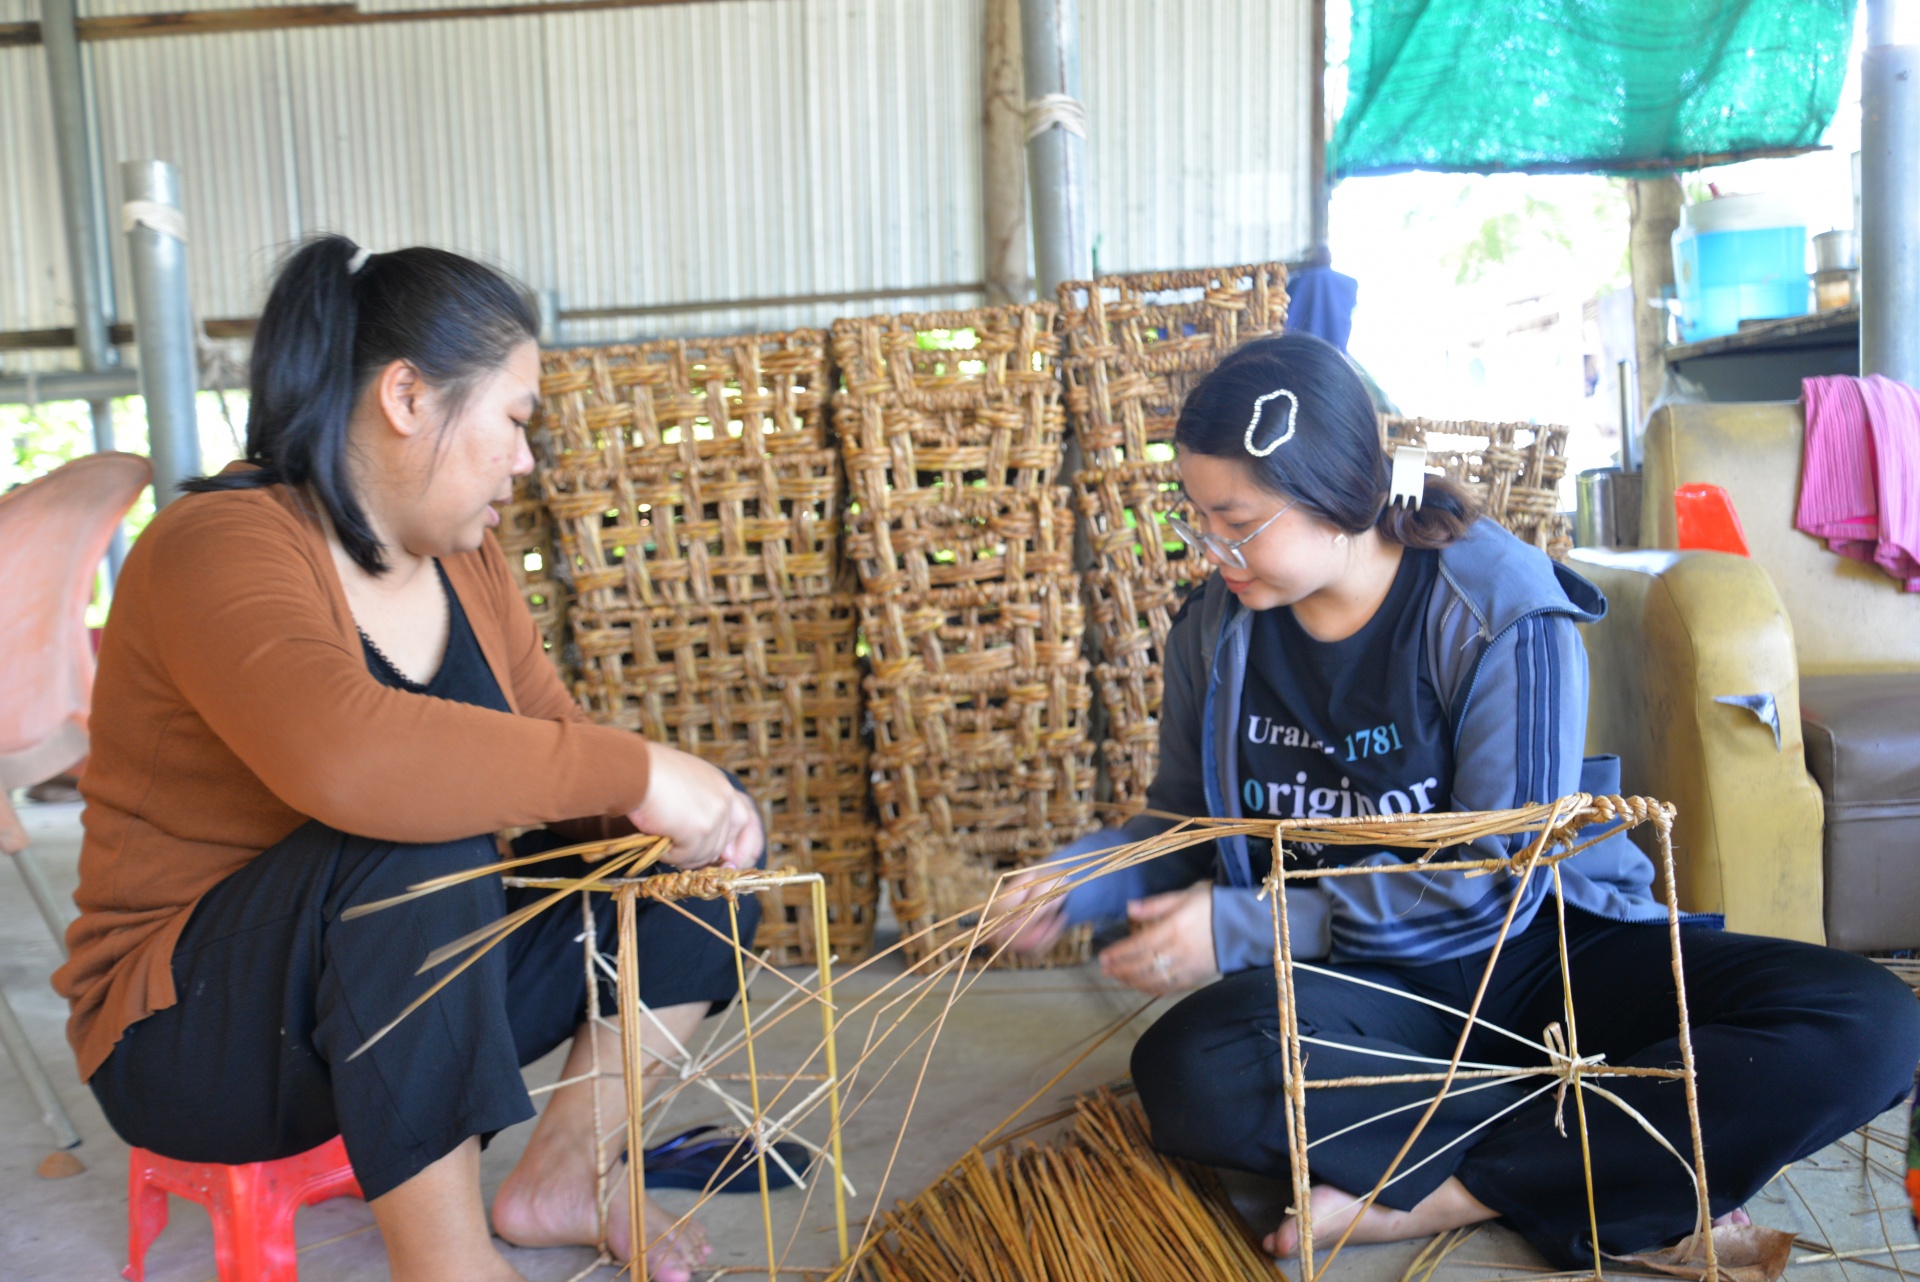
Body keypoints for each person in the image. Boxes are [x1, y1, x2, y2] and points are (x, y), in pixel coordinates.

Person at [999, 332, 1920, 1267]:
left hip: (1543, 955)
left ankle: (1445, 1193)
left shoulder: (1502, 613)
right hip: (1370, 999)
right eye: (1197, 517)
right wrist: (1081, 881)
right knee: (1193, 1071)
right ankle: (1601, 1141)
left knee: (1872, 1025)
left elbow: (1493, 886)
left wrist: (1244, 928)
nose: (1215, 549)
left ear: (1338, 494)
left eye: (1237, 519)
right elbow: (1186, 822)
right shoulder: (1216, 633)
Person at [52, 236, 764, 1282]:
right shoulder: (221, 543)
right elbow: (351, 759)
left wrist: (687, 814)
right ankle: (447, 1263)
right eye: (514, 419)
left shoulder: (468, 568)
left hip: (391, 997)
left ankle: (563, 1176)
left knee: (696, 875)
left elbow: (563, 773)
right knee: (413, 851)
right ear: (406, 396)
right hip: (190, 1032)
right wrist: (638, 768)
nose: (525, 459)